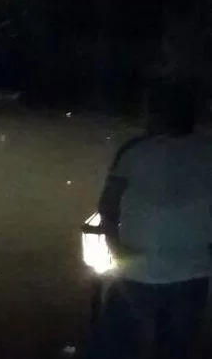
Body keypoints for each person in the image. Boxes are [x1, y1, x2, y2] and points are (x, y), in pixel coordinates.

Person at [87, 80, 212, 359]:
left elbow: (107, 205)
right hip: (193, 270)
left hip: (138, 269)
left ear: (155, 115)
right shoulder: (207, 151)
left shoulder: (134, 151)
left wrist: (115, 247)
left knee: (112, 347)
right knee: (175, 349)